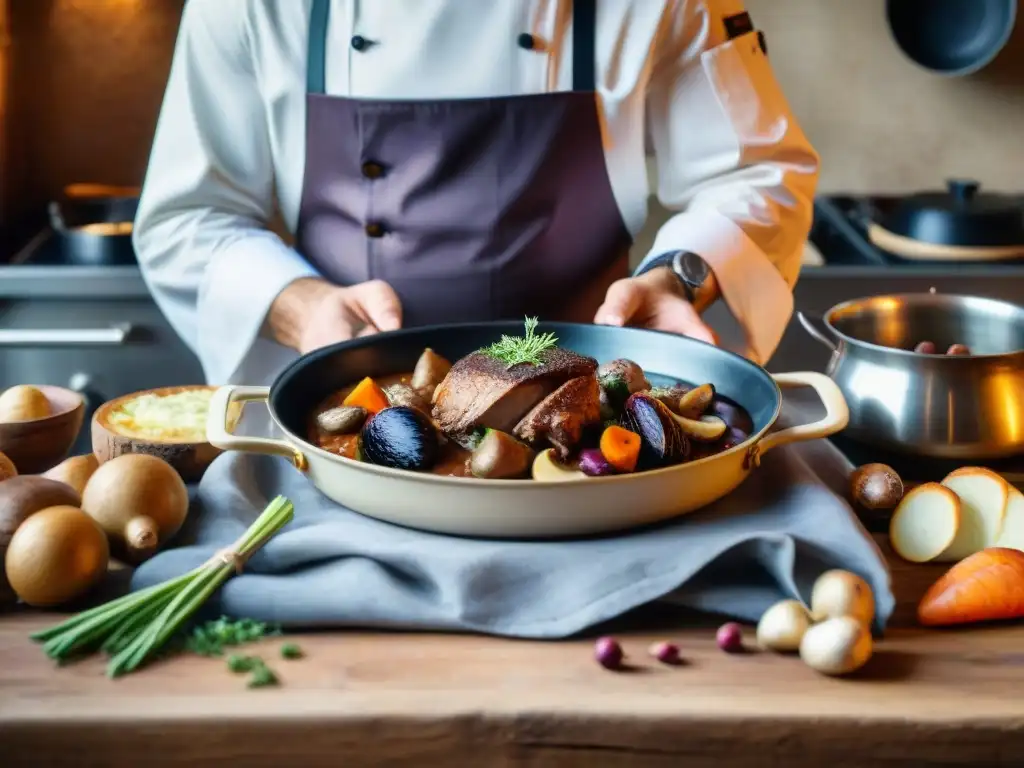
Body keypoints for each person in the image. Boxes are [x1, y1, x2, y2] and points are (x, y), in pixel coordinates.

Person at [134, 0, 819, 386]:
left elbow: (761, 172)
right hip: (346, 413)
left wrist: (681, 279)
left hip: (588, 416)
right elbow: (189, 217)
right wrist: (298, 305)